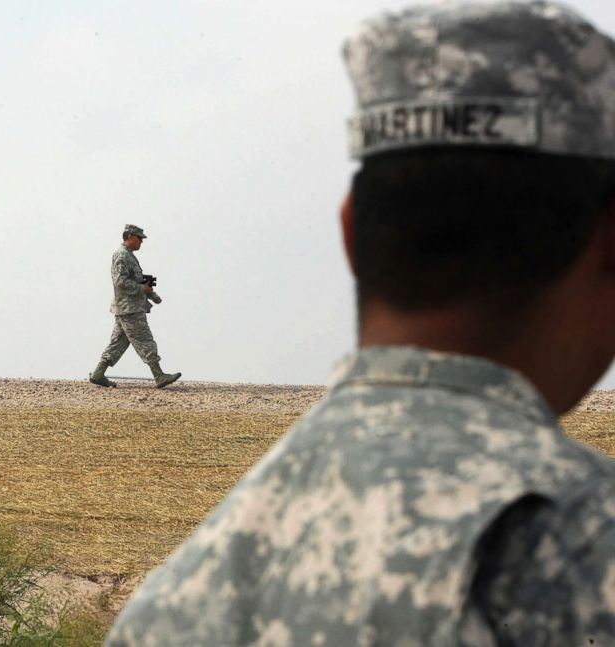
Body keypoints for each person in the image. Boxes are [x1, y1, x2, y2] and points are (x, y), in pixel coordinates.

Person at [106, 1, 615, 645]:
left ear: (349, 234)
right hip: (131, 309)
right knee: (134, 345)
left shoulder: (171, 604)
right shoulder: (591, 551)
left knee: (126, 346)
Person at [90, 224, 181, 389]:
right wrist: (142, 289)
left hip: (127, 308)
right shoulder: (121, 255)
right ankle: (159, 375)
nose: (141, 242)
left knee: (118, 343)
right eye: (139, 238)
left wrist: (151, 295)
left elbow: (137, 280)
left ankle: (98, 373)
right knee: (145, 341)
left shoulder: (129, 256)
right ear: (130, 237)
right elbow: (121, 282)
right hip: (130, 309)